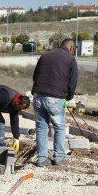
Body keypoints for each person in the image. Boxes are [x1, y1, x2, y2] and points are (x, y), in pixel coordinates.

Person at [32, 38, 78, 167]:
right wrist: (69, 97)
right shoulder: (70, 59)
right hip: (55, 97)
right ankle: (58, 158)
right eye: (73, 50)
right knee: (59, 127)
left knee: (41, 127)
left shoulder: (45, 56)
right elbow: (73, 81)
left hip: (38, 95)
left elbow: (35, 77)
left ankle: (41, 159)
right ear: (71, 48)